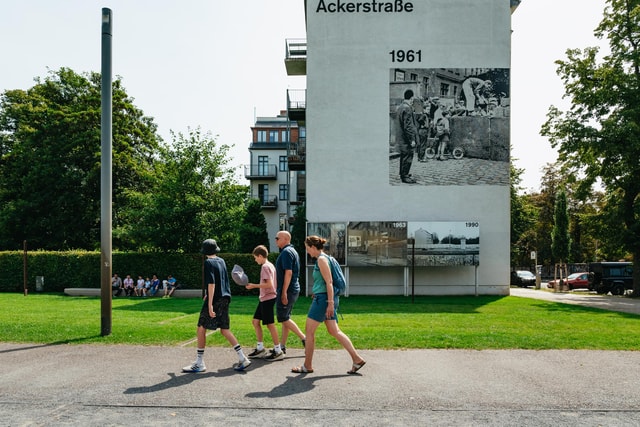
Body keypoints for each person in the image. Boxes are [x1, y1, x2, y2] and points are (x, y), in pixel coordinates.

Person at [292, 235, 366, 375]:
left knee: (309, 332)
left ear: (313, 247)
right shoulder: (327, 258)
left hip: (324, 301)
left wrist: (330, 303)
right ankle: (357, 359)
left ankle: (307, 366)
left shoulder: (321, 260)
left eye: (308, 249)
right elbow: (324, 283)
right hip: (325, 298)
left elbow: (329, 282)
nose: (307, 252)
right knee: (334, 331)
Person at [182, 239, 251, 373]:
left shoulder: (208, 262)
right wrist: (208, 295)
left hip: (216, 299)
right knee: (224, 329)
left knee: (201, 328)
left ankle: (199, 362)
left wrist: (209, 304)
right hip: (225, 297)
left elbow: (212, 283)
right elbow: (222, 281)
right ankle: (243, 358)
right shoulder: (221, 261)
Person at [246, 245, 284, 361]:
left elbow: (269, 285)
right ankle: (260, 348)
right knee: (255, 321)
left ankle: (278, 351)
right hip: (264, 298)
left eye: (255, 258)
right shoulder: (270, 265)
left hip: (268, 298)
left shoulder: (265, 267)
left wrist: (253, 286)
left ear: (261, 256)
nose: (255, 260)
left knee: (269, 324)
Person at [274, 230, 306, 355]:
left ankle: (304, 339)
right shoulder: (291, 251)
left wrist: (283, 292)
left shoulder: (287, 252)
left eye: (278, 238)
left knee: (283, 317)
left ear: (286, 239)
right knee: (285, 318)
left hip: (288, 290)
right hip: (292, 289)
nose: (276, 240)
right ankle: (282, 346)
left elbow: (289, 273)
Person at [395, 89, 418, 183]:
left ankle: (403, 173)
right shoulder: (407, 108)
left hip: (401, 137)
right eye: (413, 99)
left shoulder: (401, 107)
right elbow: (408, 126)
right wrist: (412, 139)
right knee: (408, 156)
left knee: (404, 156)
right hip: (406, 138)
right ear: (411, 98)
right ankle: (405, 176)